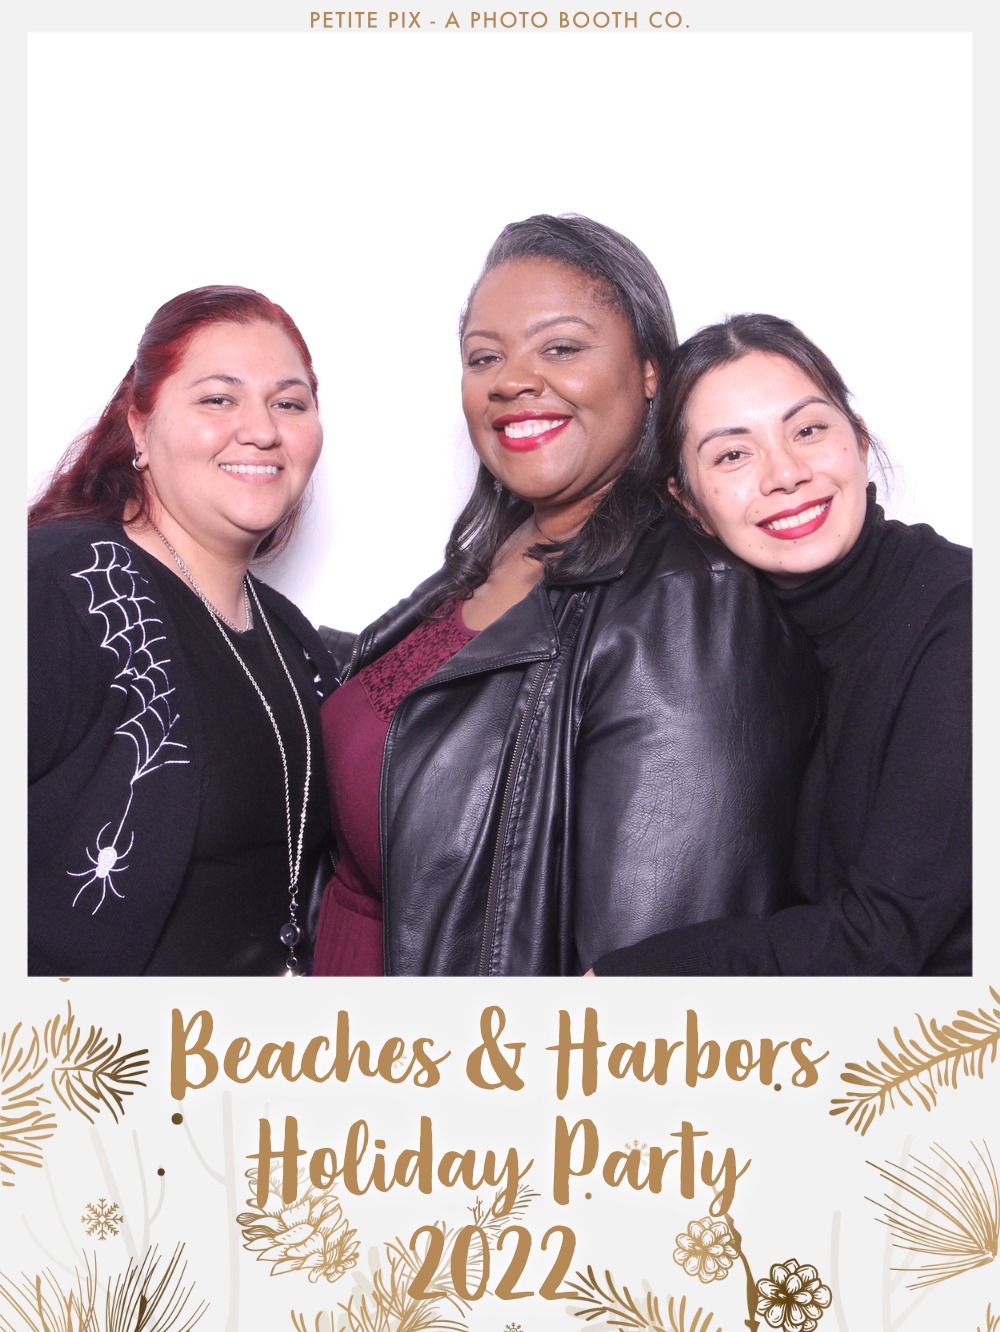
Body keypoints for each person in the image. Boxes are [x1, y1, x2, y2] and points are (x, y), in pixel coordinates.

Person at [312, 215, 819, 977]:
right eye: (485, 356)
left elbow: (641, 988)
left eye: (561, 348)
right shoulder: (502, 553)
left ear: (649, 371)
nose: (511, 380)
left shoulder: (689, 610)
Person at [592, 313, 971, 976]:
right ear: (688, 501)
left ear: (858, 441)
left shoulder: (962, 616)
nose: (786, 473)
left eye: (808, 430)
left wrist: (621, 980)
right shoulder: (729, 641)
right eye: (733, 455)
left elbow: (883, 938)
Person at [28, 285, 339, 977]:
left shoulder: (293, 639)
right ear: (140, 427)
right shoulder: (60, 584)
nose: (261, 430)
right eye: (218, 399)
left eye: (290, 404)